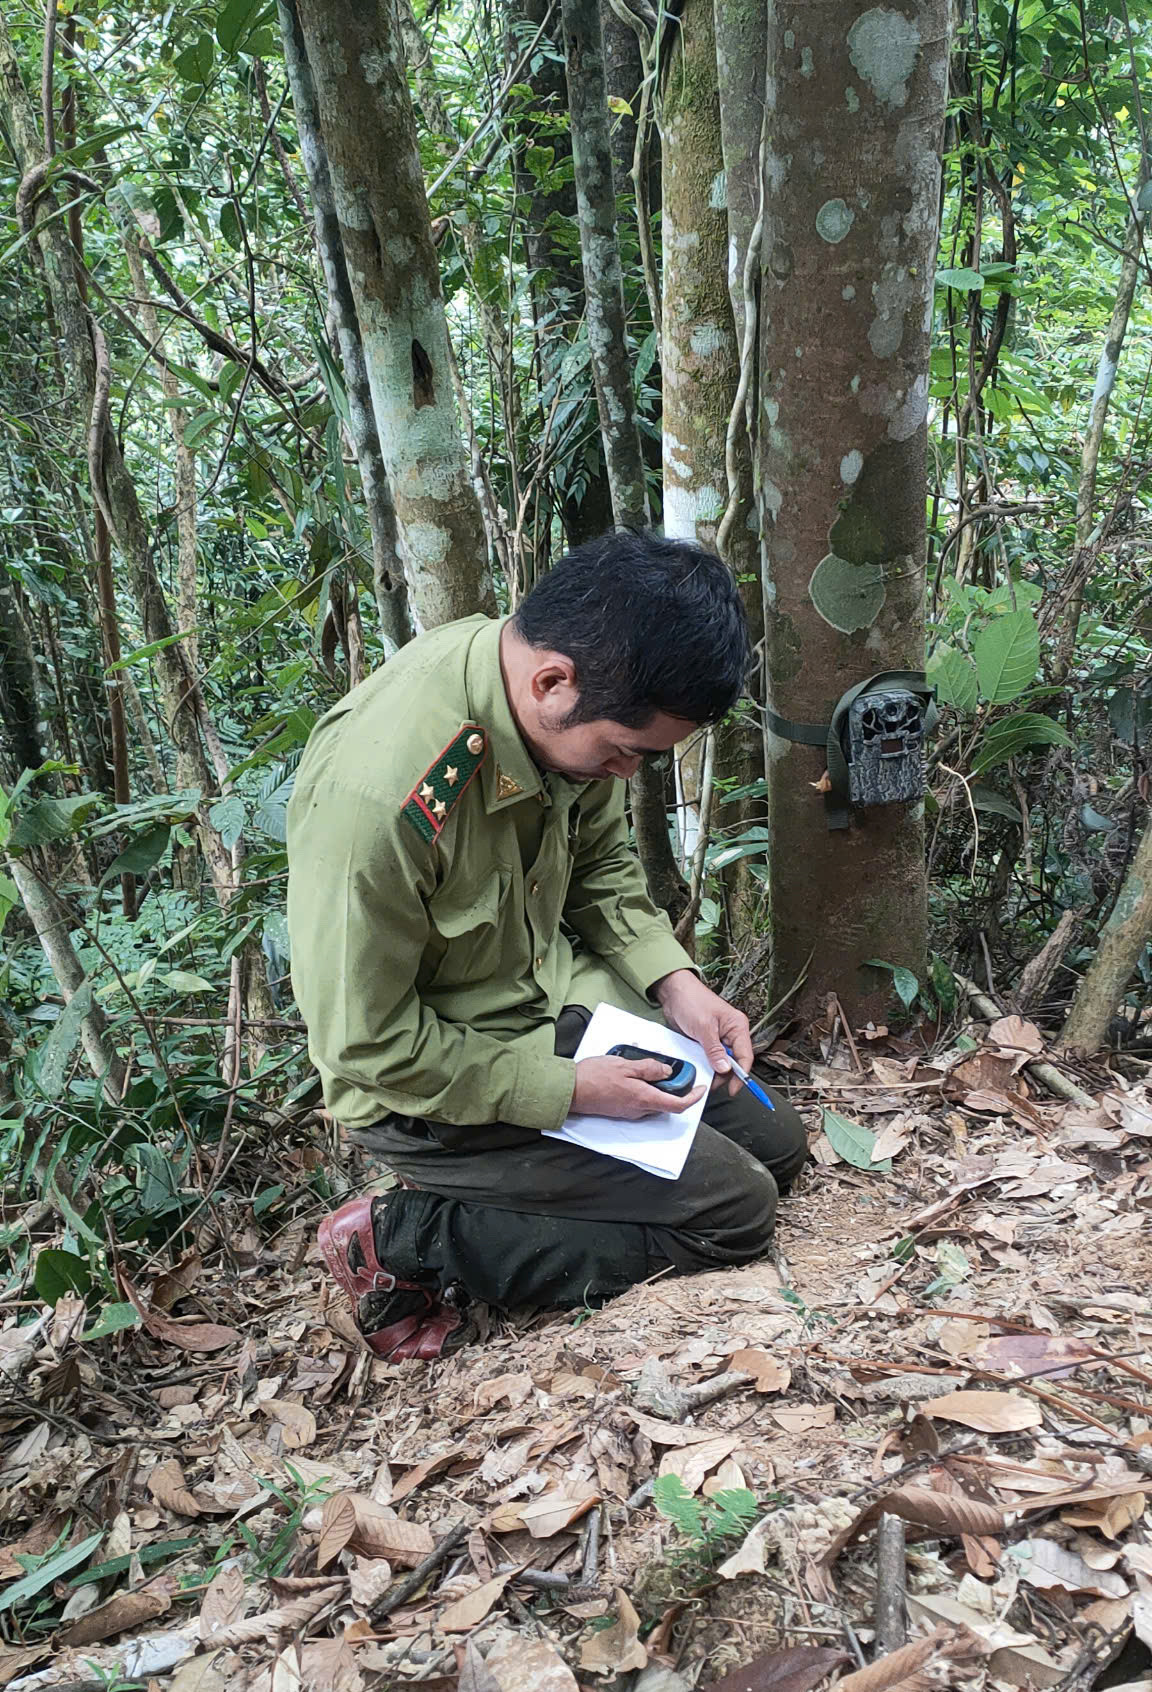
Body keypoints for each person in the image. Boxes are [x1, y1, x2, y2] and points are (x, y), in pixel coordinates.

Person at [286, 531, 807, 1360]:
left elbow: (600, 864)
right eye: (625, 753)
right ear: (552, 683)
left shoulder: (559, 709)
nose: (628, 776)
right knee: (735, 1212)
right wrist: (567, 1091)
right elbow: (364, 1046)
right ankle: (405, 1236)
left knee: (781, 1151)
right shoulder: (380, 800)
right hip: (424, 1088)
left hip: (551, 1006)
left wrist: (674, 982)